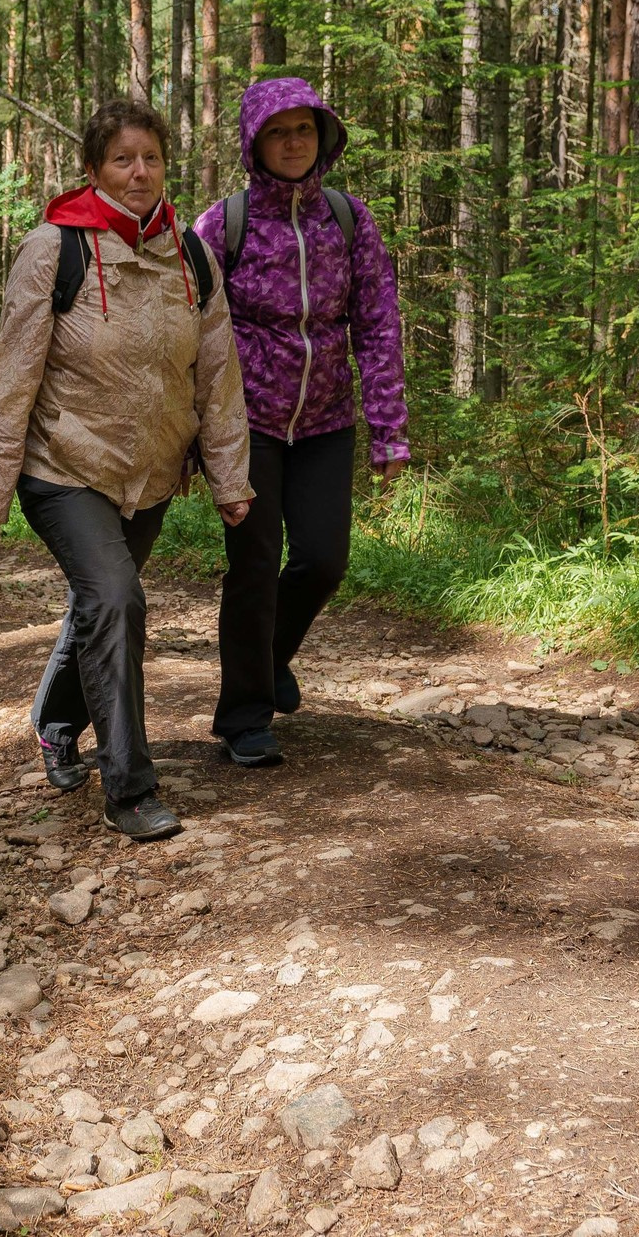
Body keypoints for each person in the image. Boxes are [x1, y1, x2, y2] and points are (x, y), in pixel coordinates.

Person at [0, 101, 254, 842]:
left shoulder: (191, 257)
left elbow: (217, 379)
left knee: (101, 605)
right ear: (93, 171)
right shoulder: (51, 250)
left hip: (150, 471)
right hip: (61, 464)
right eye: (122, 159)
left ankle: (56, 717)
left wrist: (229, 478)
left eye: (151, 157)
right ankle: (128, 787)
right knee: (119, 596)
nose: (139, 172)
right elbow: (10, 382)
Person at [192, 77, 410, 767]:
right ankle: (244, 716)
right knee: (253, 564)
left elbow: (377, 323)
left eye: (305, 130)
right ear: (255, 142)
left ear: (324, 139)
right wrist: (189, 430)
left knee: (324, 557)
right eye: (279, 131)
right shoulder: (221, 224)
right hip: (244, 421)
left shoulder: (349, 219)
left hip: (324, 419)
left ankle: (271, 653)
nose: (294, 142)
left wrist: (388, 425)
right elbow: (186, 327)